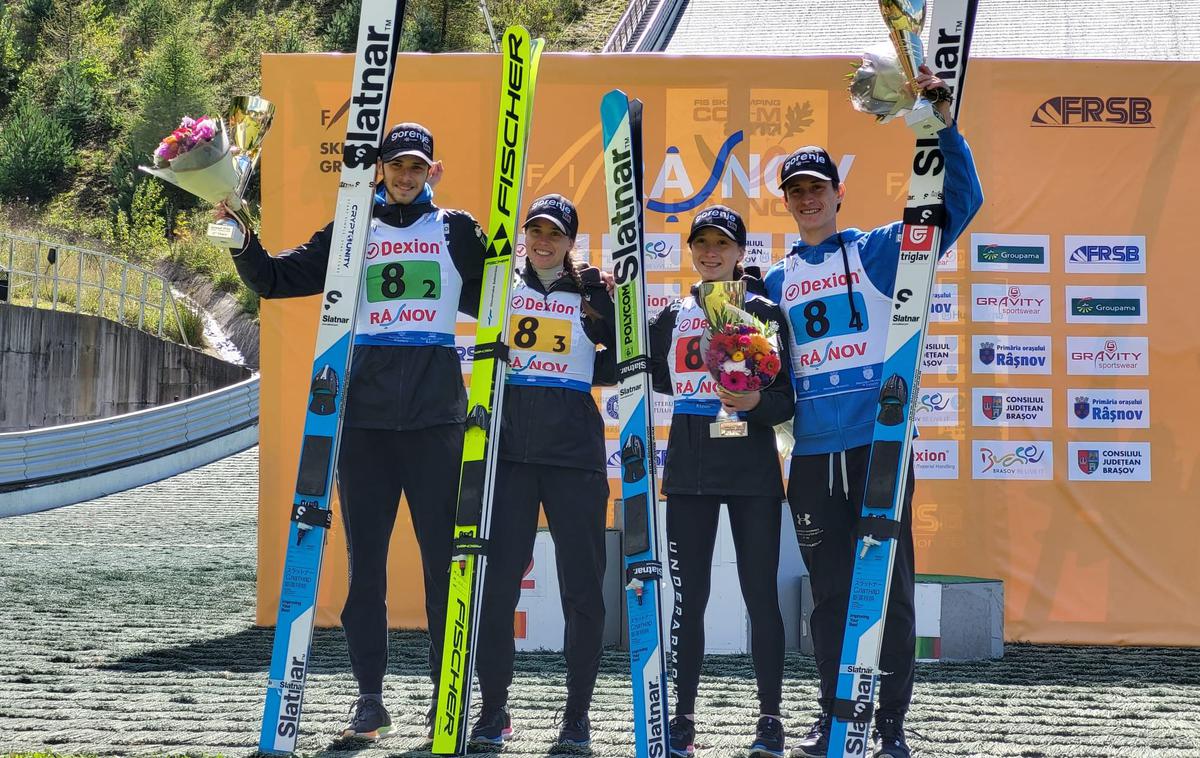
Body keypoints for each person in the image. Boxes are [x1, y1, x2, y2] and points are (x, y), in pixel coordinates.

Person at [216, 122, 487, 742]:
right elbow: (277, 280)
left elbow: (507, 291)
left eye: (417, 166)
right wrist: (237, 237)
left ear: (431, 170)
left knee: (445, 565)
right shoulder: (351, 231)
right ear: (381, 168)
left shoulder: (456, 229)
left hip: (436, 421)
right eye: (396, 165)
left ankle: (451, 694)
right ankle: (370, 699)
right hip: (363, 424)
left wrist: (582, 285)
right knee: (365, 567)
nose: (406, 175)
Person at [764, 67, 984, 758]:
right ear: (788, 202)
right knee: (828, 598)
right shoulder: (774, 280)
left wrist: (939, 129)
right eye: (795, 192)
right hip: (809, 456)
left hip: (877, 446)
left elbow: (962, 201)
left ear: (838, 193)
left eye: (816, 189)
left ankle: (888, 726)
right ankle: (835, 716)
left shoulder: (881, 251)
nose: (807, 200)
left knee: (889, 590)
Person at [467, 193, 615, 750]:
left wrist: (595, 354)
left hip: (573, 453)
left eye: (556, 233)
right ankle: (494, 710)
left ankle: (576, 717)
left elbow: (625, 351)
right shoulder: (500, 284)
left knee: (582, 590)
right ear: (525, 234)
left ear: (572, 241)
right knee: (498, 586)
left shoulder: (591, 289)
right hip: (509, 453)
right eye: (537, 231)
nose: (544, 241)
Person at [648, 205, 795, 758]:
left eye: (722, 245)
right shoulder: (670, 315)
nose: (711, 253)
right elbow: (649, 378)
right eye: (701, 244)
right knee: (690, 600)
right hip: (690, 473)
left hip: (753, 472)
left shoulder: (764, 312)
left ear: (741, 252)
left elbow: (786, 400)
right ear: (691, 250)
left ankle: (770, 719)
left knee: (761, 597)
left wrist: (754, 402)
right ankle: (682, 718)